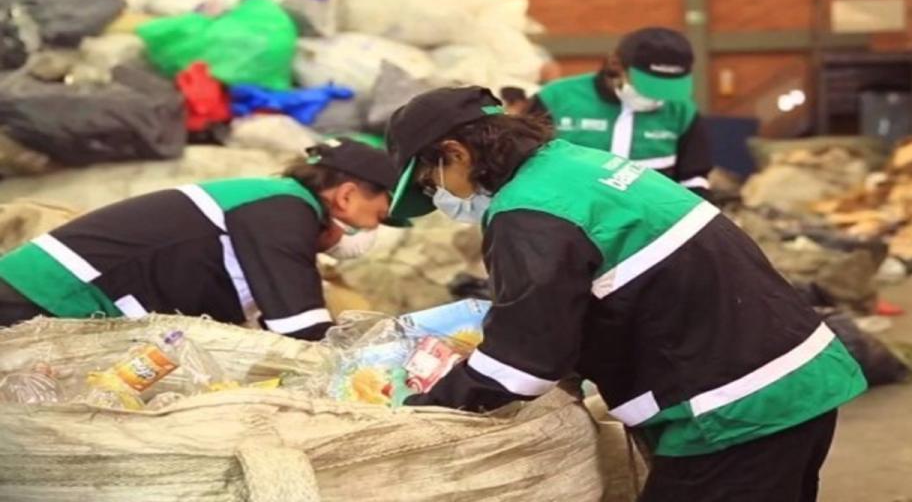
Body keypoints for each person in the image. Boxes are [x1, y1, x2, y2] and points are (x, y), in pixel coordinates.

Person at [385, 86, 867, 501]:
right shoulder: (574, 164)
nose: (438, 197)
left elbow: (521, 364)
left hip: (735, 410)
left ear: (456, 153)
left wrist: (417, 409)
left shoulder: (527, 212)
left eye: (432, 183)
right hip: (798, 378)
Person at [0, 137, 396, 340]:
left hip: (51, 299)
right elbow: (301, 332)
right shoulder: (284, 210)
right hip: (48, 297)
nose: (373, 232)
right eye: (378, 215)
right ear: (345, 196)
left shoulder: (272, 206)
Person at [528, 26, 713, 198]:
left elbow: (693, 178)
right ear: (616, 65)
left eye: (667, 89)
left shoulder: (681, 110)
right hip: (567, 215)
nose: (657, 97)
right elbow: (528, 169)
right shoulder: (556, 99)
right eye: (648, 86)